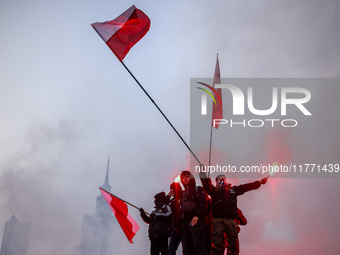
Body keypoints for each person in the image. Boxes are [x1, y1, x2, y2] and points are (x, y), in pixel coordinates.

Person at [199, 172, 267, 255]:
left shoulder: (233, 190)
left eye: (223, 178)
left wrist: (259, 183)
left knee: (233, 246)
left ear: (226, 180)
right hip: (218, 221)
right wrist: (203, 174)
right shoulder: (214, 190)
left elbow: (245, 187)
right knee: (217, 245)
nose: (221, 180)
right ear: (216, 182)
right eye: (218, 179)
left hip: (231, 221)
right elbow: (206, 184)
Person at [180, 170, 209, 255]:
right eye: (183, 178)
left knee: (199, 245)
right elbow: (181, 209)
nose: (185, 179)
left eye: (187, 177)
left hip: (196, 221)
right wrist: (180, 223)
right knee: (187, 247)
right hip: (185, 223)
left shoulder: (198, 189)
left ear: (191, 178)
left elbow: (203, 203)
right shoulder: (183, 193)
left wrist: (197, 216)